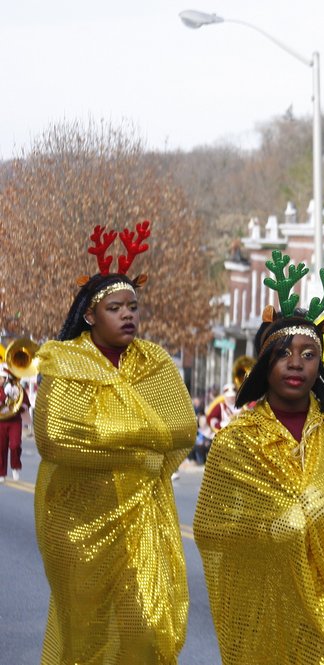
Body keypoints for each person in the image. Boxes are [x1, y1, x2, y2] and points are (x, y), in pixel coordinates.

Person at [194, 253, 324, 665]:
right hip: (265, 597)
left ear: (320, 363)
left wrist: (321, 511)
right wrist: (278, 526)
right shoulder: (235, 442)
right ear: (266, 363)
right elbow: (213, 528)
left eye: (308, 353)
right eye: (284, 353)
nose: (296, 362)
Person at [33, 221, 196, 663]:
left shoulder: (154, 362)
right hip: (78, 524)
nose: (128, 315)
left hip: (143, 521)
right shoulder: (64, 361)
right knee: (85, 640)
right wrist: (142, 446)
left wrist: (108, 435)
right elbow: (55, 438)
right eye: (115, 307)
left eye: (133, 306)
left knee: (145, 633)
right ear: (90, 314)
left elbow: (182, 427)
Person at [0, 363, 29, 482]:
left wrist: (18, 404)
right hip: (1, 421)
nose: (0, 380)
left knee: (15, 445)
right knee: (1, 447)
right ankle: (1, 473)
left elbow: (26, 404)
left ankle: (15, 467)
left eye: (2, 378)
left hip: (14, 421)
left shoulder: (17, 388)